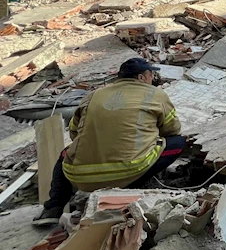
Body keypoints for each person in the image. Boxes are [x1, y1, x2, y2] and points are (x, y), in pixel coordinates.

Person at [34, 58, 185, 225]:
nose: (153, 78)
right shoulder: (156, 95)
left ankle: (52, 209)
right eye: (151, 74)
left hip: (81, 176)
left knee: (66, 154)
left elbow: (74, 133)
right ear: (142, 77)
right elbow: (172, 130)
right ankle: (131, 186)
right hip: (129, 170)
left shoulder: (94, 95)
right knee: (177, 142)